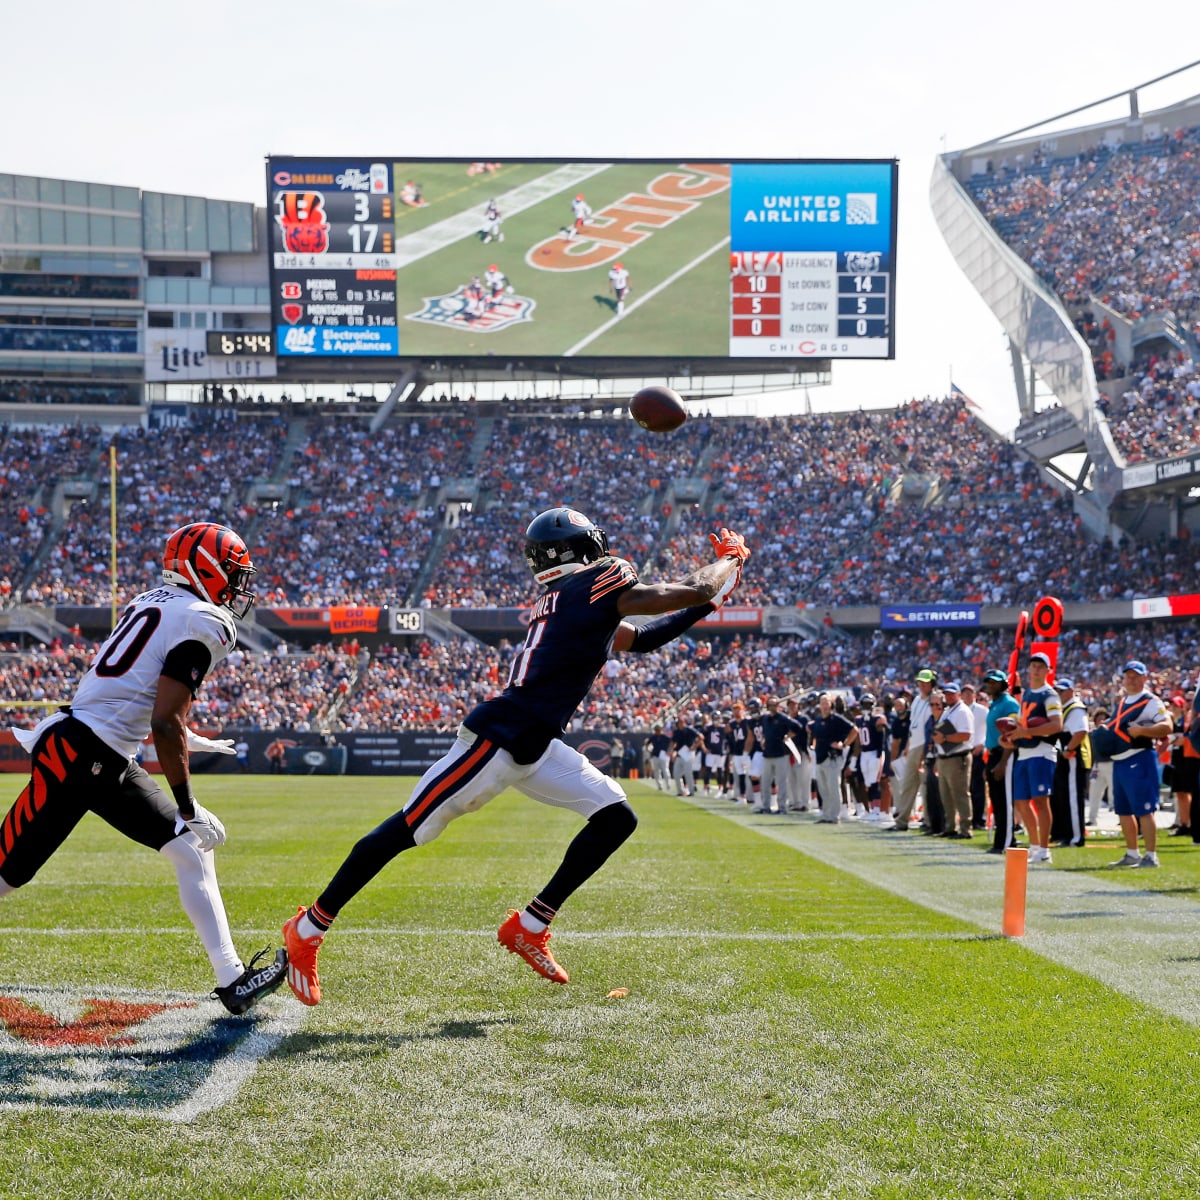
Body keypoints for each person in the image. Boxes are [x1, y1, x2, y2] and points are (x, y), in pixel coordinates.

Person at [281, 509, 750, 1003]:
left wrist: (713, 598)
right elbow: (692, 589)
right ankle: (308, 929)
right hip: (499, 737)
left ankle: (530, 925)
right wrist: (726, 563)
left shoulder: (572, 600)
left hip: (536, 742)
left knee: (615, 817)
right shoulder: (593, 585)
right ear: (583, 549)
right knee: (409, 828)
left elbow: (647, 637)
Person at [0, 523, 287, 1014]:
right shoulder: (205, 621)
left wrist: (186, 738)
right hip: (79, 755)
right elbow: (163, 720)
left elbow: (132, 696)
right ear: (206, 568)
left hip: (99, 752)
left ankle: (233, 980)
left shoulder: (150, 601)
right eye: (234, 573)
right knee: (5, 873)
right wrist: (188, 803)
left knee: (189, 849)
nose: (239, 586)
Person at [1095, 660, 1173, 867]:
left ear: (1144, 678)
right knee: (1123, 810)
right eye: (1129, 675)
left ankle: (1151, 856)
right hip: (1120, 761)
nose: (1132, 679)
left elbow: (1167, 726)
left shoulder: (1151, 701)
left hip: (1139, 757)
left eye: (1136, 676)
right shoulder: (1123, 701)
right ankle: (1132, 853)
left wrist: (1142, 731)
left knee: (1144, 809)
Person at [1000, 652, 1063, 864]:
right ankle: (1035, 846)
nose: (1035, 669)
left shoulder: (1050, 694)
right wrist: (1009, 737)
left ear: (1048, 670)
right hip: (1025, 752)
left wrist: (1025, 732)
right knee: (1021, 802)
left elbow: (1056, 725)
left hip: (1041, 751)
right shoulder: (1027, 695)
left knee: (1041, 801)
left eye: (1040, 666)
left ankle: (1044, 849)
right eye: (1033, 665)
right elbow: (1020, 723)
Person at [981, 669, 1020, 855]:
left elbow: (1012, 735)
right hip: (993, 754)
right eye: (988, 682)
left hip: (1005, 754)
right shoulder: (994, 704)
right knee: (997, 800)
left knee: (1005, 800)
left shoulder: (1009, 704)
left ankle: (1006, 842)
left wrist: (1003, 762)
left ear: (1003, 684)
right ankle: (1002, 840)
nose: (990, 685)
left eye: (994, 682)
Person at [890, 670, 935, 831]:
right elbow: (913, 725)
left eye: (926, 682)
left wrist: (925, 749)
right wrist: (908, 746)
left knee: (926, 786)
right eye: (920, 682)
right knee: (908, 784)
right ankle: (901, 821)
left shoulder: (934, 700)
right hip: (913, 744)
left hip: (924, 745)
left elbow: (930, 727)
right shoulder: (916, 700)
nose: (922, 685)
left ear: (932, 683)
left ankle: (930, 821)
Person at [1050, 676, 1091, 847]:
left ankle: (1075, 836)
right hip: (1064, 756)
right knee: (1063, 796)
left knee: (1073, 798)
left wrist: (1069, 749)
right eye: (1057, 691)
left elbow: (1080, 732)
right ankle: (1064, 833)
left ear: (1070, 691)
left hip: (1073, 757)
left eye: (1061, 690)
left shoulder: (1075, 708)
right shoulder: (1063, 708)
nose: (1058, 694)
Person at [933, 680, 974, 838]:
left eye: (951, 693)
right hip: (945, 756)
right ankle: (950, 827)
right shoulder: (948, 710)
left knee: (960, 794)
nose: (948, 696)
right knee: (946, 795)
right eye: (946, 694)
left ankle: (965, 829)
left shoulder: (962, 711)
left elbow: (966, 735)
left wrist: (945, 738)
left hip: (958, 757)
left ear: (958, 694)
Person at [810, 693, 856, 824]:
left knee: (833, 787)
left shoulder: (836, 719)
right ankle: (826, 814)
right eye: (822, 703)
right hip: (820, 757)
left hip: (832, 758)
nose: (824, 706)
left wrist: (845, 744)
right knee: (823, 789)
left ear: (831, 705)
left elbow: (854, 730)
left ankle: (835, 816)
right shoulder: (818, 720)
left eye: (826, 703)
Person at [757, 696, 804, 814]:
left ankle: (782, 807)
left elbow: (798, 727)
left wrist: (788, 737)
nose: (773, 707)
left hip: (780, 754)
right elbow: (765, 732)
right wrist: (764, 740)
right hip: (768, 754)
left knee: (782, 782)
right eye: (771, 705)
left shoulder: (783, 718)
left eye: (775, 705)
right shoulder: (765, 718)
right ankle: (765, 806)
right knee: (765, 782)